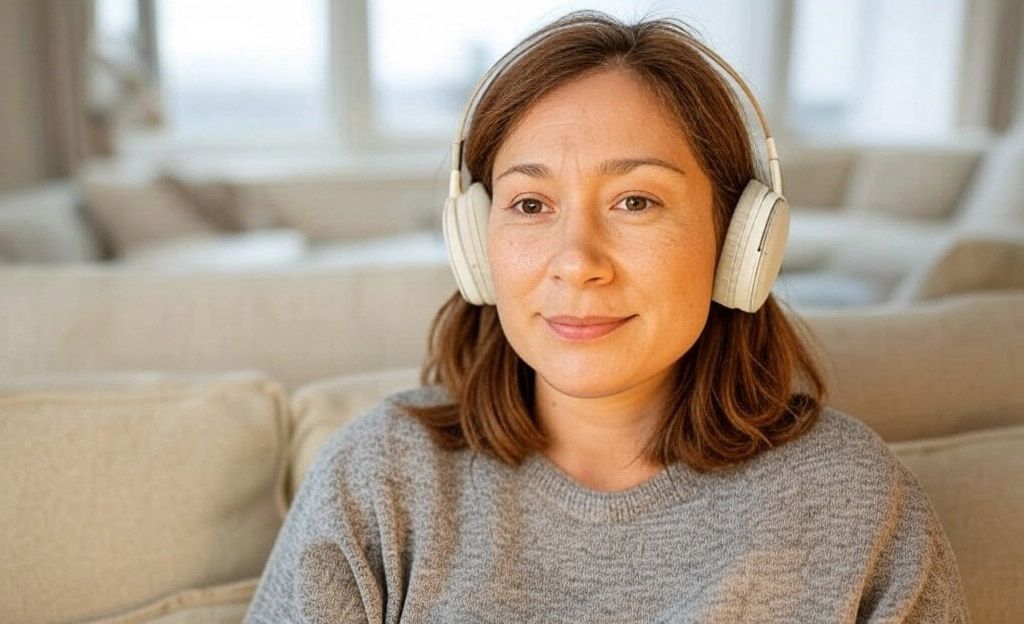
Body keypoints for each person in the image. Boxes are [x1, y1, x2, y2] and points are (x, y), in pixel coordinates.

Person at [244, 10, 970, 623]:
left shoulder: (848, 498)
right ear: (475, 241)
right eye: (530, 205)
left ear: (740, 240)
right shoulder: (383, 478)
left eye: (636, 202)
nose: (577, 260)